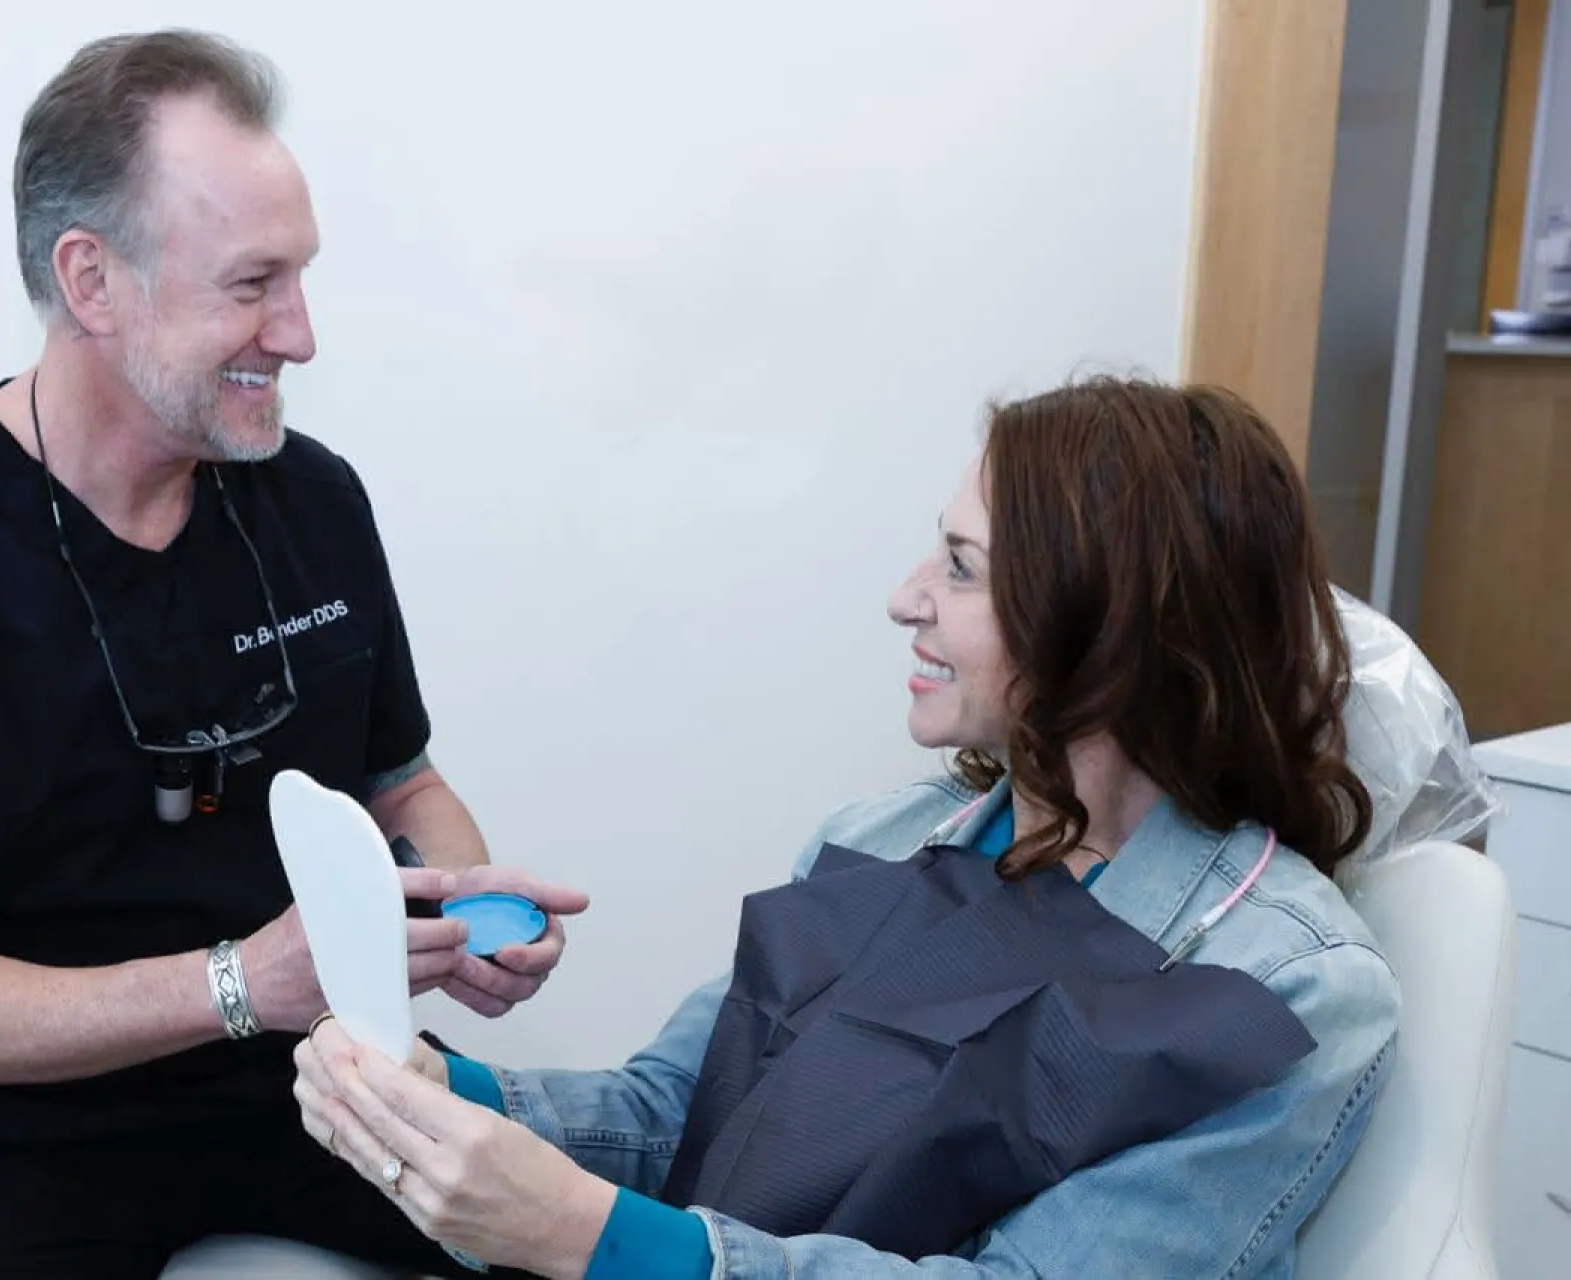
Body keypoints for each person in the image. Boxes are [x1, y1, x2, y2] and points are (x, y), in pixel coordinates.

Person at [0, 28, 586, 1279]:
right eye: (252, 284)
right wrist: (240, 982)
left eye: (301, 277)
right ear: (91, 280)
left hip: (323, 1085)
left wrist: (463, 905)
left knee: (598, 1244)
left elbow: (402, 787)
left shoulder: (312, 500)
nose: (300, 335)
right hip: (23, 1138)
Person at [293, 376, 1405, 1279]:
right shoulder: (881, 838)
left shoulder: (1284, 989)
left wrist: (595, 1239)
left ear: (1106, 626)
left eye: (961, 568)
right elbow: (672, 1111)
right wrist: (440, 1097)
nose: (905, 597)